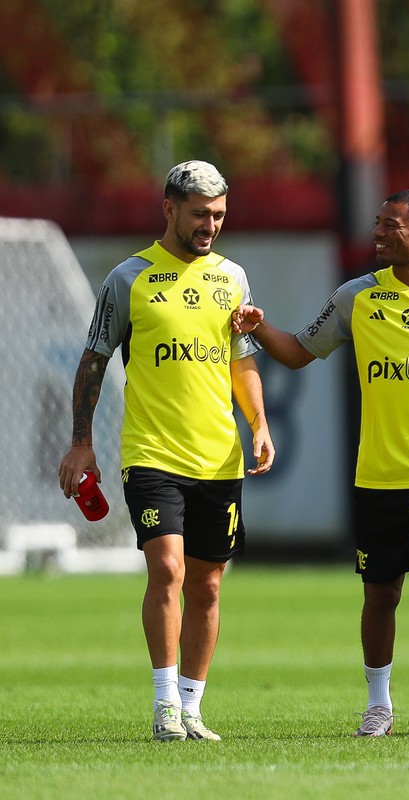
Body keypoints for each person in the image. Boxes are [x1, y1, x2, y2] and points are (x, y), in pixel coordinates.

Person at [232, 188, 409, 737]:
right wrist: (257, 327)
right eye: (378, 223)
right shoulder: (356, 297)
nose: (378, 233)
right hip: (379, 476)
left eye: (390, 226)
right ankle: (378, 704)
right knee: (381, 592)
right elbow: (296, 352)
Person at [57, 160, 275, 742]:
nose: (211, 225)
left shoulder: (233, 277)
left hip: (219, 456)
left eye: (220, 215)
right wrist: (81, 442)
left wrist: (258, 422)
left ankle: (192, 705)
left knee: (207, 584)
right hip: (151, 454)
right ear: (169, 209)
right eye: (201, 214)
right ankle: (163, 707)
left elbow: (242, 360)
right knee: (169, 568)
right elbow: (94, 360)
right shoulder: (128, 278)